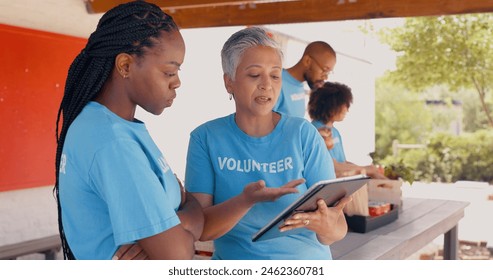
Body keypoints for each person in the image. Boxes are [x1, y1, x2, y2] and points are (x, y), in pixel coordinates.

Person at [184, 26, 352, 260]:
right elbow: (200, 229)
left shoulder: (304, 135)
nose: (267, 85)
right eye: (254, 75)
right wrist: (246, 201)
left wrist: (324, 224)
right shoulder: (205, 138)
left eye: (275, 75)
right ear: (229, 82)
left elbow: (337, 229)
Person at [54, 1, 203, 260]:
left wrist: (181, 222)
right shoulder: (112, 142)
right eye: (169, 71)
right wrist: (190, 213)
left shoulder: (104, 125)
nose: (177, 82)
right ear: (124, 65)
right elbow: (178, 255)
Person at [308, 81, 387, 179]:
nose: (347, 110)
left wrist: (368, 169)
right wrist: (366, 169)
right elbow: (334, 167)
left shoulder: (334, 131)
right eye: (346, 105)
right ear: (332, 106)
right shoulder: (316, 131)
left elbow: (342, 162)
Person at [273, 41, 337, 118]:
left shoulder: (299, 85)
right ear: (307, 61)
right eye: (324, 70)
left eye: (328, 72)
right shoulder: (275, 83)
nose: (326, 77)